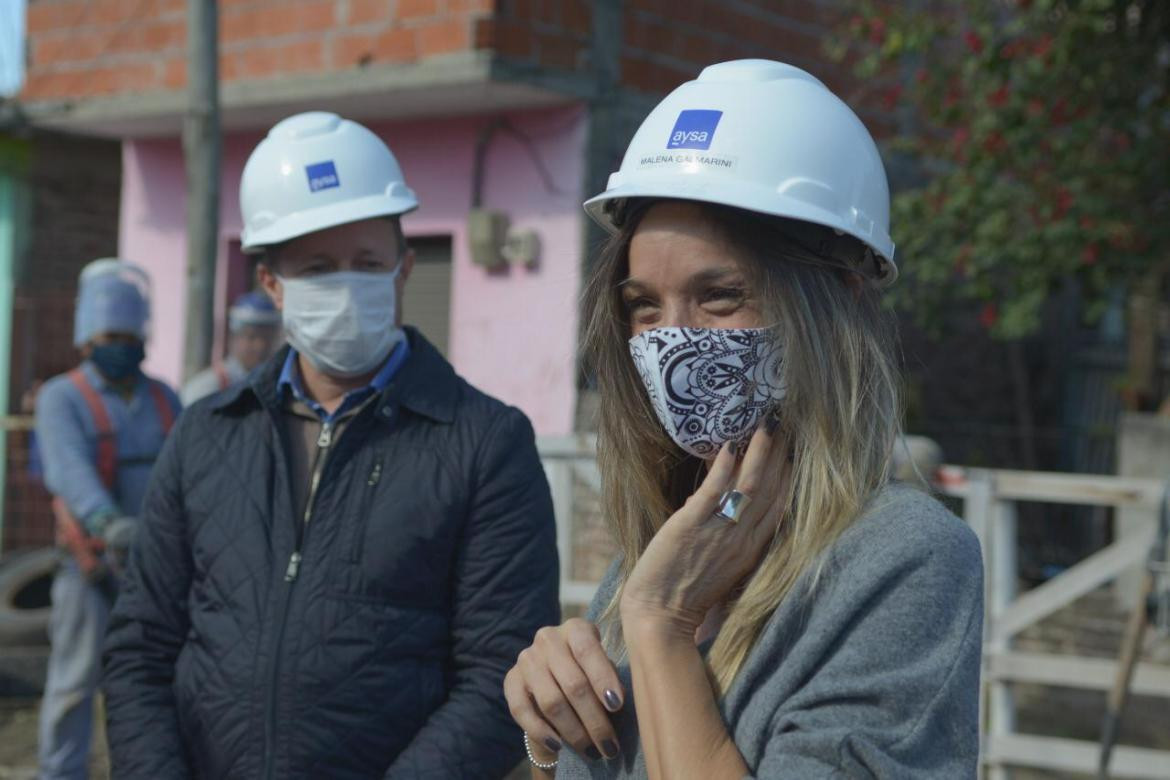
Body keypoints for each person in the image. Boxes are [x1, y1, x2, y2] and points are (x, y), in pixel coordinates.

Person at [503, 59, 984, 778]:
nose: (674, 338)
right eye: (644, 306)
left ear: (842, 300)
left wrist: (660, 628)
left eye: (720, 296)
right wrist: (546, 743)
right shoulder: (670, 544)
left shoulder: (905, 559)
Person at [103, 111, 561, 779]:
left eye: (366, 263)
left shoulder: (485, 442)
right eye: (319, 267)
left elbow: (500, 669)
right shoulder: (206, 432)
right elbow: (140, 646)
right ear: (271, 283)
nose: (346, 285)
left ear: (404, 269)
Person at [35, 259, 181, 780]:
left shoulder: (165, 399)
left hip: (156, 570)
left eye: (128, 334)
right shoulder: (62, 398)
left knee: (154, 683)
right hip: (90, 567)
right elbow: (69, 471)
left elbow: (188, 471)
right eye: (109, 334)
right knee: (75, 682)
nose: (120, 344)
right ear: (87, 338)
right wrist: (108, 522)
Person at [180, 291, 282, 404]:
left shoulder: (278, 388)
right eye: (252, 337)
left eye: (267, 337)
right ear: (233, 336)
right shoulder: (205, 389)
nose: (260, 346)